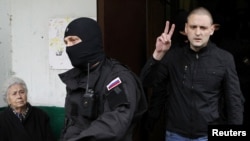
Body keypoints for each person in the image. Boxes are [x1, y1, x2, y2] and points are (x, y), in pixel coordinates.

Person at [140, 7, 244, 141]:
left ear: (212, 30)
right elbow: (147, 82)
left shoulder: (224, 59)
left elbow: (234, 101)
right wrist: (158, 54)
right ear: (186, 29)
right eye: (193, 27)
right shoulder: (172, 57)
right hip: (175, 134)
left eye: (203, 28)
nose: (198, 32)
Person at [58, 17, 147, 141]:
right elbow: (73, 122)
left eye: (73, 40)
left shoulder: (117, 77)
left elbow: (115, 123)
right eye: (66, 42)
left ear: (90, 40)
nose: (69, 47)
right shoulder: (77, 77)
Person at [0, 76, 55, 141]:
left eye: (22, 92)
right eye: (14, 94)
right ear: (8, 99)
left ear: (26, 94)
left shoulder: (41, 116)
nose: (19, 96)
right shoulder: (2, 119)